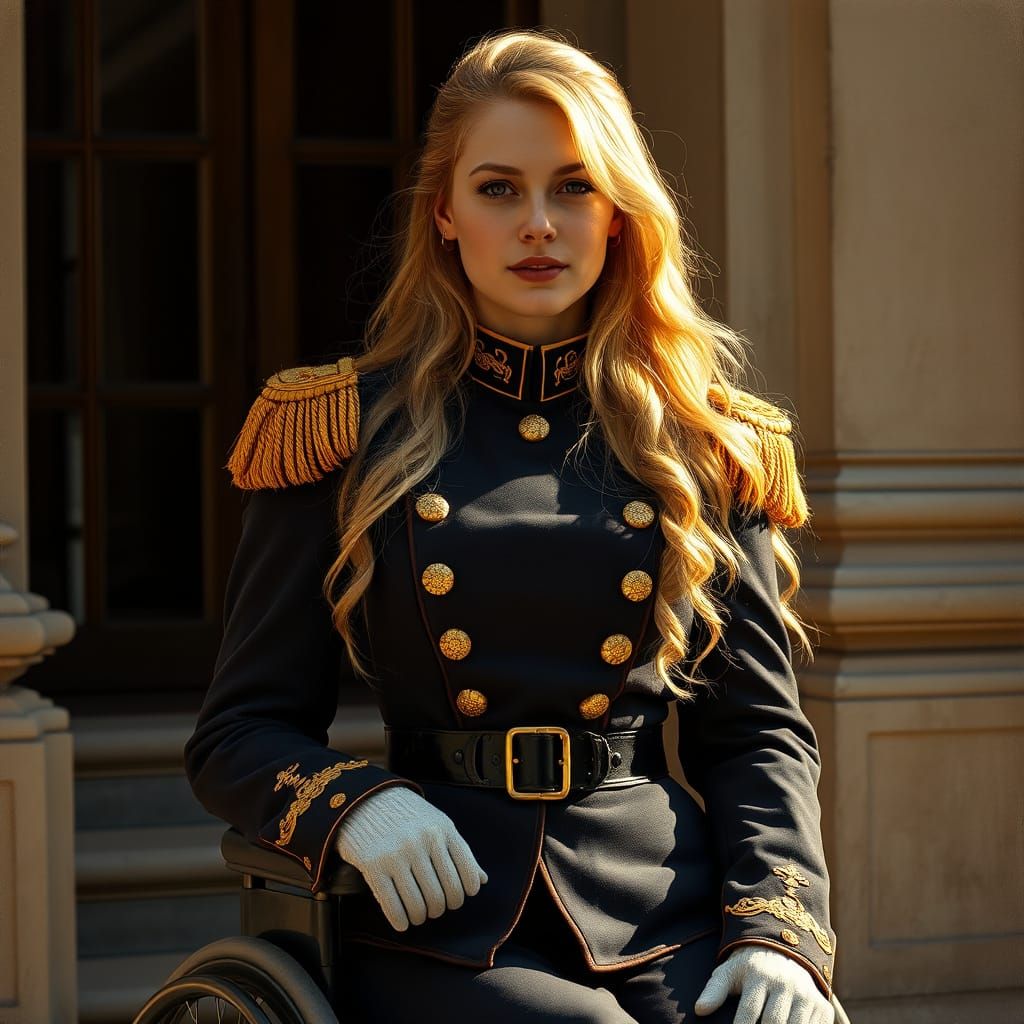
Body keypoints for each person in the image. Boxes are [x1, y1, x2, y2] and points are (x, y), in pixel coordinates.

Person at [185, 27, 839, 1024]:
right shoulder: (343, 431)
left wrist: (778, 934)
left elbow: (756, 734)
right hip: (435, 913)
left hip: (664, 906)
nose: (538, 224)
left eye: (573, 187)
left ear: (619, 214)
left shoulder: (702, 442)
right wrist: (353, 804)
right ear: (444, 214)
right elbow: (238, 732)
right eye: (499, 189)